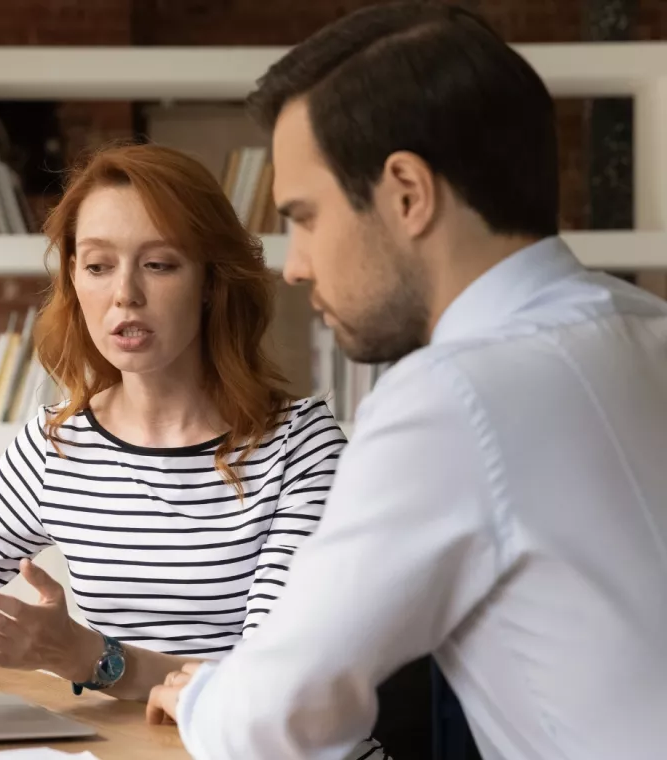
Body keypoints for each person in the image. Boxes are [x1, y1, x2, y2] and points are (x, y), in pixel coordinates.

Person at [146, 2, 667, 758]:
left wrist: (199, 696)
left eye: (306, 215)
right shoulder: (646, 325)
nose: (294, 264)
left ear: (407, 194)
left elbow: (277, 718)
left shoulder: (455, 396)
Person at [0, 142, 347, 704]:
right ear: (74, 278)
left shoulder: (302, 447)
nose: (126, 294)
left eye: (160, 264)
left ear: (210, 283)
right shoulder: (57, 444)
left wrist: (92, 658)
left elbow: (272, 687)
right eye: (98, 265)